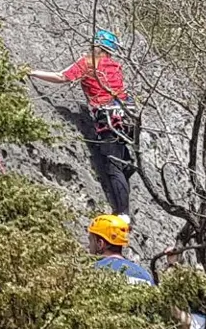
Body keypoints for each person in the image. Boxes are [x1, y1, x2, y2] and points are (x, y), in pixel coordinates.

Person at [26, 28, 139, 215]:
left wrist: (33, 72)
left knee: (113, 167)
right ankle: (127, 163)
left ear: (95, 45)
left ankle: (122, 214)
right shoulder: (114, 66)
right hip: (127, 116)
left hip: (108, 118)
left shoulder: (88, 63)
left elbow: (62, 77)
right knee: (121, 156)